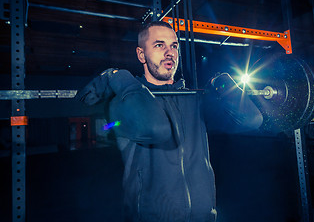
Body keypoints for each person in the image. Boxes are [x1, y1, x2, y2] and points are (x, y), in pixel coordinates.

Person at [76, 21, 263, 222]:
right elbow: (155, 128)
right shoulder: (123, 101)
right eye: (159, 45)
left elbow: (252, 119)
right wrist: (120, 77)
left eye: (174, 46)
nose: (169, 52)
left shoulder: (193, 100)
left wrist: (225, 83)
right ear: (141, 55)